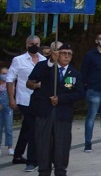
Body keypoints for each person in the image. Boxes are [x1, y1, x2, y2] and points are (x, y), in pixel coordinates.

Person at [27, 42, 85, 176]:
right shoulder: (44, 66)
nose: (67, 56)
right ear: (57, 54)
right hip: (44, 113)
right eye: (64, 53)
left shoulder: (74, 73)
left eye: (69, 54)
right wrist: (51, 61)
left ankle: (60, 171)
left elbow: (80, 93)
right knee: (43, 146)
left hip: (62, 114)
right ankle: (43, 171)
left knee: (62, 147)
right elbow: (33, 79)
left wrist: (61, 99)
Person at [6, 34, 47, 169]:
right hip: (24, 99)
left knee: (26, 128)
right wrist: (11, 98)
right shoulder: (18, 60)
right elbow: (10, 79)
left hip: (39, 99)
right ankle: (32, 160)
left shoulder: (43, 60)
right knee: (33, 128)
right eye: (31, 44)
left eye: (36, 43)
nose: (34, 46)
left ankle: (17, 155)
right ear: (27, 45)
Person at [1, 64, 13, 156]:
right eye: (3, 73)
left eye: (6, 73)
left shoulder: (11, 84)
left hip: (8, 107)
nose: (4, 75)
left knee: (9, 128)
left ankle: (10, 146)